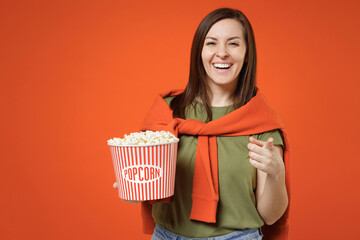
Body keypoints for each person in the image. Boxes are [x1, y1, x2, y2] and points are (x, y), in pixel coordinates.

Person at [114, 7, 290, 240]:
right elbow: (149, 185)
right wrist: (134, 186)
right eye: (211, 43)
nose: (222, 53)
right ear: (199, 51)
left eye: (234, 44)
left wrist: (277, 174)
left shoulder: (260, 122)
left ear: (247, 53)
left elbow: (270, 216)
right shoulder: (168, 111)